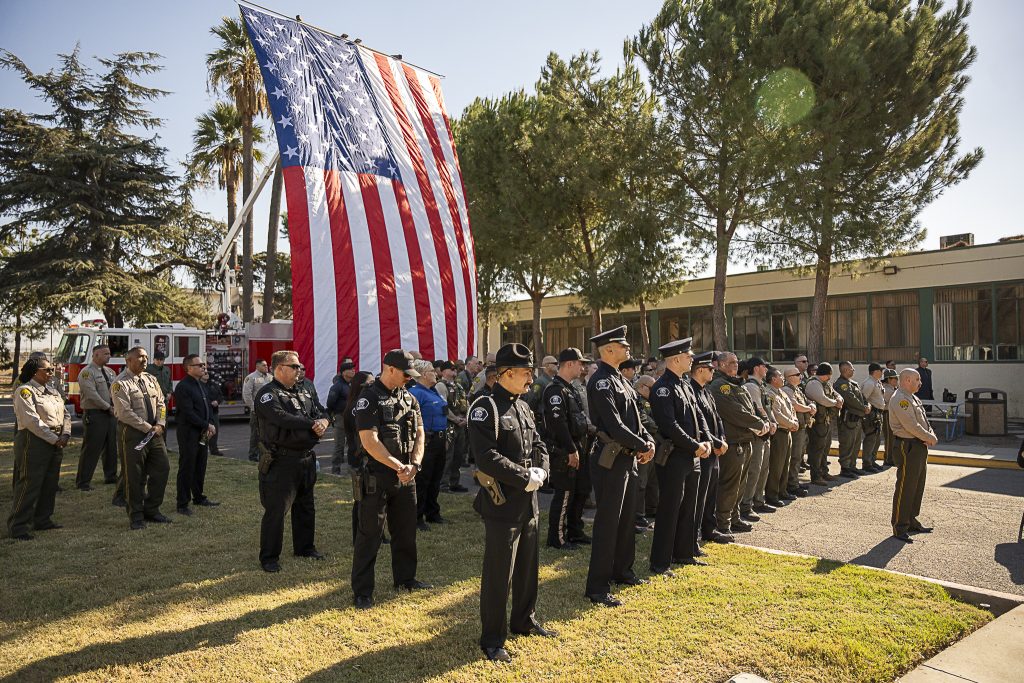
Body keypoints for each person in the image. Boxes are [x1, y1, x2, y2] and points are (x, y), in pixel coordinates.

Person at [469, 343, 554, 662]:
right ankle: (492, 639)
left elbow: (540, 443)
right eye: (525, 373)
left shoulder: (524, 406)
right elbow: (485, 456)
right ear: (505, 374)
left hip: (528, 500)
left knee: (528, 567)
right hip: (502, 502)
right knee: (498, 573)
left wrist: (542, 471)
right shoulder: (485, 406)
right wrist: (523, 476)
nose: (531, 378)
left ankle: (524, 620)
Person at [352, 350, 433, 608]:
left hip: (408, 475)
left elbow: (420, 434)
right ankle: (363, 591)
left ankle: (406, 579)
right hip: (378, 476)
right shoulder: (369, 398)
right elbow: (369, 441)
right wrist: (399, 466)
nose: (409, 379)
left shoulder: (409, 398)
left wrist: (415, 465)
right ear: (389, 369)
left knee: (406, 531)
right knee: (370, 535)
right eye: (405, 374)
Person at [584, 325, 655, 608]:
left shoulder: (622, 380)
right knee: (608, 522)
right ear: (608, 350)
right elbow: (614, 425)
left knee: (627, 520)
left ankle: (623, 571)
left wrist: (646, 440)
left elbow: (636, 419)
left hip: (628, 457)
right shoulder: (601, 381)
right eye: (622, 346)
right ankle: (597, 587)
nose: (628, 349)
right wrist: (644, 445)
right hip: (611, 458)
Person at [254, 350, 330, 572]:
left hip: (306, 459)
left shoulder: (303, 391)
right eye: (294, 367)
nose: (299, 370)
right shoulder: (268, 394)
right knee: (276, 510)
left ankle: (305, 547)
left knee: (306, 506)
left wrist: (324, 422)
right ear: (279, 368)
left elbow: (322, 411)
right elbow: (281, 418)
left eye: (299, 367)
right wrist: (311, 424)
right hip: (281, 460)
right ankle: (269, 557)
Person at [648, 338, 712, 573]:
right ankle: (660, 561)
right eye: (688, 356)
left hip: (692, 455)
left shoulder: (685, 384)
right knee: (670, 509)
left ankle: (684, 553)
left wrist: (705, 439)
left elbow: (698, 416)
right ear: (675, 359)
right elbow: (669, 425)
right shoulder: (663, 387)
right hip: (674, 455)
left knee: (688, 507)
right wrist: (695, 445)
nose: (692, 359)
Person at [7, 357, 71, 540]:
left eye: (52, 369)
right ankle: (18, 526)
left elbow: (65, 413)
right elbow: (31, 421)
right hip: (33, 441)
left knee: (50, 482)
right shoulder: (25, 391)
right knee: (29, 483)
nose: (52, 372)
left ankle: (43, 520)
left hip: (56, 439)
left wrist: (65, 434)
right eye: (48, 370)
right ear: (35, 372)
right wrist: (54, 439)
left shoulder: (52, 391)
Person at [111, 346, 172, 530]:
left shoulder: (151, 379)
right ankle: (136, 516)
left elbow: (161, 403)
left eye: (146, 357)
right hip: (133, 433)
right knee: (134, 475)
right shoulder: (120, 383)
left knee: (162, 468)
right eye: (139, 357)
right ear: (128, 361)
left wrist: (160, 423)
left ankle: (152, 509)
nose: (144, 360)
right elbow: (125, 413)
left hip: (155, 432)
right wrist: (148, 427)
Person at [709, 353, 769, 535]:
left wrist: (759, 421)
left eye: (736, 362)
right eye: (731, 363)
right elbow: (735, 412)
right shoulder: (720, 386)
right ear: (720, 364)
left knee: (740, 485)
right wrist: (759, 424)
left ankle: (734, 518)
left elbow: (749, 407)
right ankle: (723, 523)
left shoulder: (736, 384)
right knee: (729, 485)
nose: (735, 365)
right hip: (733, 442)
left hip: (744, 440)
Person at [540, 347, 591, 550]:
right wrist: (571, 449)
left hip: (578, 446)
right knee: (565, 494)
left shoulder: (570, 388)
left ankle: (575, 532)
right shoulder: (555, 390)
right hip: (564, 450)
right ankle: (557, 538)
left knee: (580, 491)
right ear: (569, 364)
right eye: (580, 363)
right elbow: (557, 423)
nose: (583, 367)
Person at [888, 369, 938, 542]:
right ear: (907, 380)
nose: (920, 382)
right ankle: (899, 525)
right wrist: (928, 437)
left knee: (917, 484)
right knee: (906, 486)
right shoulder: (900, 399)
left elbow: (924, 421)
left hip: (918, 445)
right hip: (907, 445)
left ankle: (911, 520)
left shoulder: (913, 397)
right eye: (917, 379)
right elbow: (910, 425)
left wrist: (929, 433)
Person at [690, 352, 731, 546]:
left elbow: (717, 417)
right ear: (699, 370)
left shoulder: (706, 390)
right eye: (710, 369)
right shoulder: (691, 390)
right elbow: (699, 424)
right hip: (704, 449)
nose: (713, 372)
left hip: (714, 448)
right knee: (700, 496)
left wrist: (721, 438)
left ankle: (709, 529)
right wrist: (715, 442)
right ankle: (695, 533)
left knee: (711, 493)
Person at [173, 353, 219, 516]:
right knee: (187, 466)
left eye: (203, 365)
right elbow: (188, 412)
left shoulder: (200, 384)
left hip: (202, 432)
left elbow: (207, 407)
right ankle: (182, 503)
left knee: (200, 465)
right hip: (189, 433)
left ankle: (198, 497)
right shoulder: (183, 387)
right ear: (188, 368)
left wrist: (210, 424)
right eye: (199, 365)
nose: (203, 367)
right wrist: (206, 424)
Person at [408, 360, 449, 530]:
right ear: (424, 374)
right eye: (432, 371)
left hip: (439, 439)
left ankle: (432, 512)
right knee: (423, 480)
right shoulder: (416, 392)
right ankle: (417, 517)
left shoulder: (433, 391)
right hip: (427, 440)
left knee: (435, 478)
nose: (436, 373)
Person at [75, 344, 118, 491]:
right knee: (91, 449)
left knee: (112, 447)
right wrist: (108, 407)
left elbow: (116, 391)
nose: (109, 356)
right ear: (96, 355)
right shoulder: (86, 373)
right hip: (96, 415)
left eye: (109, 353)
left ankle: (111, 476)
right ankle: (83, 481)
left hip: (111, 415)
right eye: (105, 354)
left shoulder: (110, 372)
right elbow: (92, 395)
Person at [740, 357, 777, 519]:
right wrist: (768, 424)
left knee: (763, 469)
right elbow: (758, 409)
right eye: (764, 366)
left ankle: (758, 500)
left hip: (765, 431)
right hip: (757, 433)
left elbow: (768, 408)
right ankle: (746, 505)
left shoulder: (760, 386)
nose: (766, 370)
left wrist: (773, 422)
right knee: (754, 470)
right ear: (756, 368)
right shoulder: (751, 386)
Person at [343, 371, 375, 542]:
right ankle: (358, 535)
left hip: (368, 455)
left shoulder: (365, 402)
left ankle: (376, 533)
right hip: (360, 456)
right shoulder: (357, 406)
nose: (373, 385)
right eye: (369, 383)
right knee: (361, 498)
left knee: (374, 497)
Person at [804, 363, 843, 486]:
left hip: (825, 420)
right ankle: (816, 476)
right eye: (829, 375)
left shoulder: (825, 383)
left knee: (825, 447)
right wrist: (835, 403)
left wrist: (839, 398)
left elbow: (834, 393)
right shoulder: (814, 383)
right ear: (826, 374)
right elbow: (822, 399)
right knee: (817, 449)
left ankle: (824, 472)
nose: (830, 378)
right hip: (817, 422)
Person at [764, 367, 798, 507]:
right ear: (773, 379)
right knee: (776, 465)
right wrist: (791, 423)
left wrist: (795, 421)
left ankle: (782, 491)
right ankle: (772, 494)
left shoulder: (782, 393)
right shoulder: (769, 393)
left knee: (785, 464)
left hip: (788, 431)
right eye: (780, 376)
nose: (783, 378)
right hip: (779, 433)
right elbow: (776, 414)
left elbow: (791, 409)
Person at [436, 361, 470, 493]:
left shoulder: (458, 386)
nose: (454, 372)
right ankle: (444, 484)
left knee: (458, 455)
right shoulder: (440, 385)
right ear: (443, 371)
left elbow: (464, 403)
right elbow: (443, 406)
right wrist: (456, 419)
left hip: (460, 424)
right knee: (448, 456)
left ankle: (454, 482)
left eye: (455, 369)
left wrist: (465, 418)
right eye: (451, 369)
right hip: (449, 424)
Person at [833, 361, 870, 478]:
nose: (853, 370)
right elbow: (850, 399)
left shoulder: (853, 383)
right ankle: (845, 468)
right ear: (845, 370)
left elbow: (862, 397)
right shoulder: (841, 384)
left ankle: (852, 466)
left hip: (857, 419)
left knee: (856, 444)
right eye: (851, 368)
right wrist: (863, 408)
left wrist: (867, 405)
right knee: (847, 443)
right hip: (847, 420)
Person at [632, 374, 660, 531]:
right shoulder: (637, 400)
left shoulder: (650, 401)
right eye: (651, 388)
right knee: (641, 482)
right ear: (642, 387)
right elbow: (645, 422)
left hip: (653, 443)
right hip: (642, 444)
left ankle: (651, 508)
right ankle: (638, 514)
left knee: (652, 479)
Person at [782, 367, 815, 498]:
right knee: (794, 457)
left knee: (799, 456)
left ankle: (795, 482)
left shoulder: (798, 390)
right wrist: (809, 409)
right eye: (797, 374)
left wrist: (811, 406)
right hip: (795, 429)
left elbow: (808, 402)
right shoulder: (787, 390)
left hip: (802, 427)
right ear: (789, 377)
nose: (800, 376)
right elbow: (795, 405)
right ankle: (792, 485)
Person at [326, 361, 355, 474]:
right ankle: (336, 470)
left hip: (352, 418)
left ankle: (352, 469)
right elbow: (330, 403)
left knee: (353, 444)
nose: (353, 370)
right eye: (350, 369)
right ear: (343, 372)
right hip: (341, 418)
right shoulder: (337, 386)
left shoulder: (352, 384)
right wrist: (340, 410)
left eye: (353, 368)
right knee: (339, 445)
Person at [243, 359, 271, 462]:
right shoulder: (251, 378)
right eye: (264, 365)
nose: (266, 367)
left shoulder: (270, 377)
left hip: (268, 412)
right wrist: (253, 408)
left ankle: (263, 455)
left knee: (267, 434)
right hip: (257, 412)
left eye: (266, 365)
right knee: (256, 435)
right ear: (257, 366)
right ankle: (253, 456)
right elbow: (247, 395)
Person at [861, 363, 887, 473]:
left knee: (876, 439)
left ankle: (872, 460)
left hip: (878, 413)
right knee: (871, 438)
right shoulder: (869, 383)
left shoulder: (877, 382)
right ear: (875, 371)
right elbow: (863, 398)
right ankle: (867, 462)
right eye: (880, 371)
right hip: (872, 414)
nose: (882, 373)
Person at [202, 371, 224, 456]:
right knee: (205, 432)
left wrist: (217, 401)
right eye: (204, 373)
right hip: (204, 413)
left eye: (207, 373)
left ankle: (214, 450)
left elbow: (220, 396)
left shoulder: (213, 385)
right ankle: (202, 449)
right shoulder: (199, 385)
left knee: (214, 431)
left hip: (214, 412)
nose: (206, 375)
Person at [881, 368, 900, 467]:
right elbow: (883, 404)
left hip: (893, 414)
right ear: (888, 379)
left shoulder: (893, 389)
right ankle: (888, 458)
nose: (897, 381)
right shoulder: (886, 390)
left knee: (893, 437)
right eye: (895, 379)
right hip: (887, 414)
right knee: (889, 438)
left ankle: (891, 457)